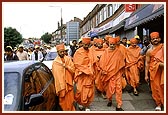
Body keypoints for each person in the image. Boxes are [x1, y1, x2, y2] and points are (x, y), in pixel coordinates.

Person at [99, 37, 125, 111]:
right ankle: (109, 100)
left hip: (117, 74)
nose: (112, 46)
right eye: (111, 44)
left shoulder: (119, 52)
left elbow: (122, 63)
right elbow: (102, 63)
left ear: (116, 44)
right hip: (108, 74)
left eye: (114, 44)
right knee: (109, 89)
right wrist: (103, 70)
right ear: (108, 44)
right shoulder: (105, 52)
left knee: (118, 89)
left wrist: (122, 72)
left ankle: (119, 105)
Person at [52, 43, 76, 111]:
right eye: (61, 52)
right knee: (62, 102)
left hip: (69, 85)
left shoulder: (68, 59)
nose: (62, 53)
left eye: (63, 51)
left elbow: (73, 70)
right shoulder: (55, 63)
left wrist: (67, 67)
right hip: (61, 86)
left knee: (70, 100)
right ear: (58, 52)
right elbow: (55, 76)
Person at [73, 37, 95, 111]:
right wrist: (86, 69)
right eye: (85, 44)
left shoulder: (91, 51)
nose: (86, 46)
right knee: (80, 91)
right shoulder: (78, 52)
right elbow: (77, 64)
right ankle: (81, 103)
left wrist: (90, 68)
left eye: (88, 45)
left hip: (89, 76)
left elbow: (93, 62)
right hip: (81, 75)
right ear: (82, 44)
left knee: (89, 92)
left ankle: (86, 104)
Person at [145, 32, 164, 111]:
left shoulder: (164, 47)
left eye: (156, 38)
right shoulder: (149, 51)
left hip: (163, 70)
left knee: (163, 86)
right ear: (151, 41)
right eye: (153, 39)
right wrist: (146, 75)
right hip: (154, 71)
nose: (155, 40)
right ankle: (158, 104)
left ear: (159, 38)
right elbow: (147, 63)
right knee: (156, 88)